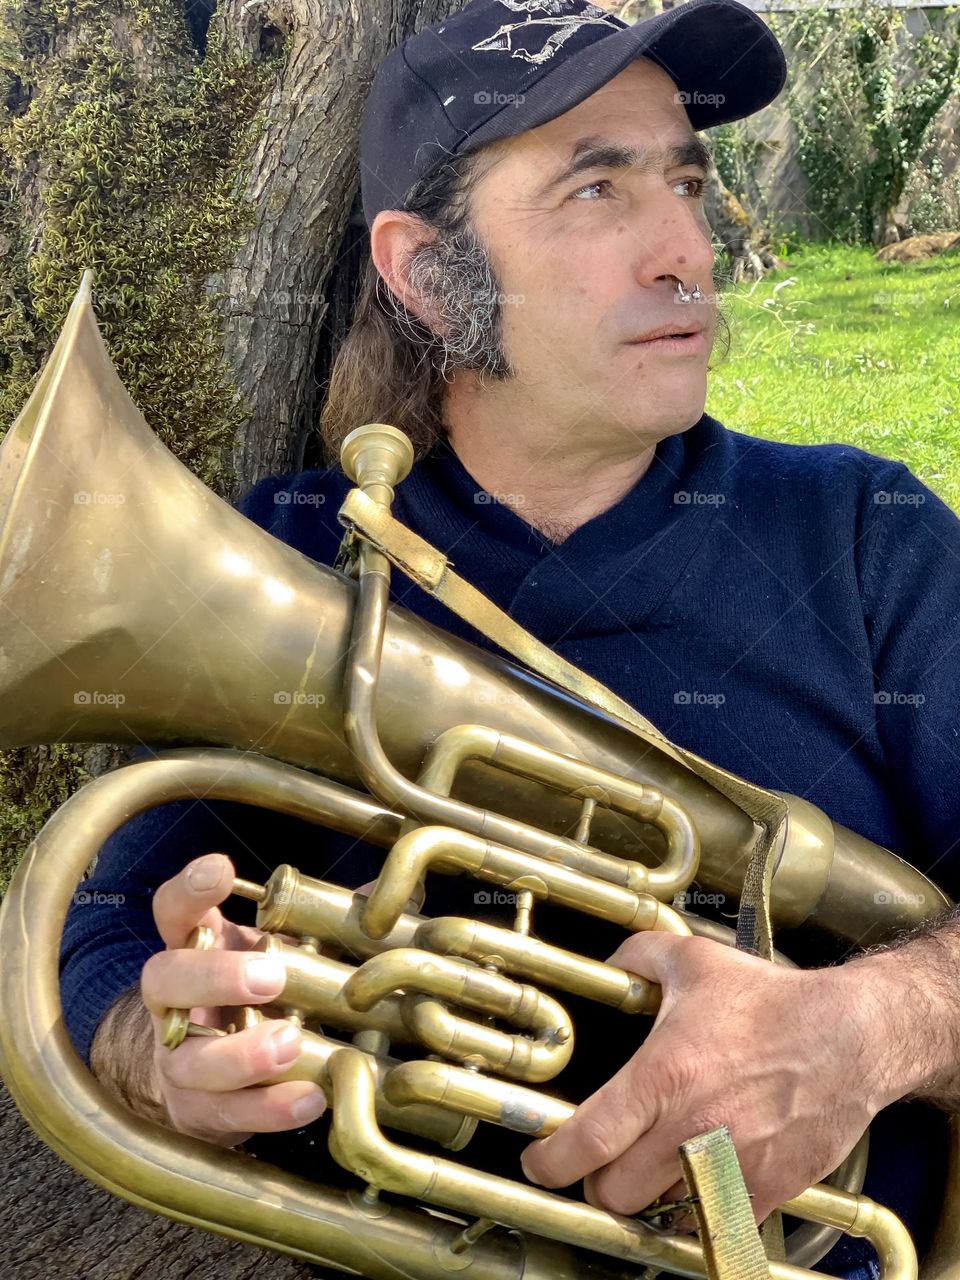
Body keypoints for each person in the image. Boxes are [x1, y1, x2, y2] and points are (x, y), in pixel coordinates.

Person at [59, 3, 960, 1278]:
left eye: (686, 182)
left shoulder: (867, 534)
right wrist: (154, 1051)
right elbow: (95, 916)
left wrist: (869, 1026)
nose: (685, 252)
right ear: (428, 274)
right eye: (596, 189)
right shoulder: (289, 551)